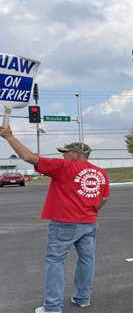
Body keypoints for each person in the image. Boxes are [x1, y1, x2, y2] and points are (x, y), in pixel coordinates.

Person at [0, 125, 110, 313]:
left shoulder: (64, 167)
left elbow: (28, 157)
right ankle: (83, 298)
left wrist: (9, 137)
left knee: (55, 261)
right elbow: (104, 198)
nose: (62, 156)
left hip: (65, 223)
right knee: (86, 260)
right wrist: (91, 210)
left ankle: (52, 307)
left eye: (65, 152)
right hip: (89, 222)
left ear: (76, 153)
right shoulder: (101, 172)